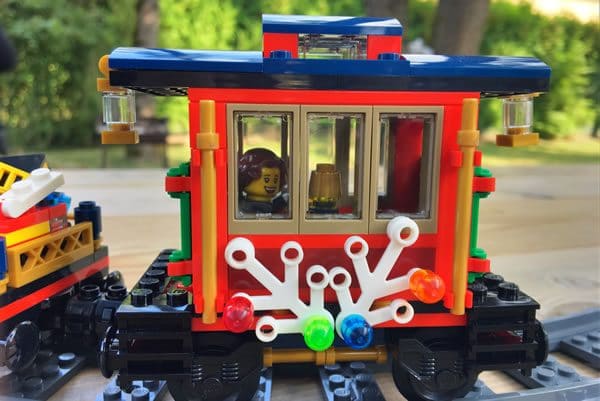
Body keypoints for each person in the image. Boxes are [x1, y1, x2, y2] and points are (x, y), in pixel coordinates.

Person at [238, 148, 287, 215]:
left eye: (275, 180)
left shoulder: (273, 203)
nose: (271, 183)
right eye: (266, 179)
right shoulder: (247, 207)